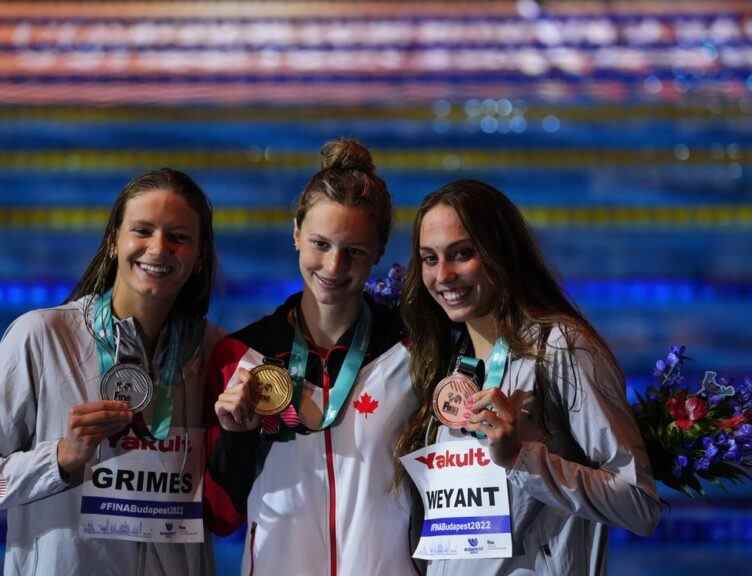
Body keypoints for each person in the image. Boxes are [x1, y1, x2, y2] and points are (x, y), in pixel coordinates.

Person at [395, 179, 661, 575]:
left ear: (501, 253)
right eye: (430, 259)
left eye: (462, 254)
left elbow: (638, 503)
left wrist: (523, 459)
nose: (443, 275)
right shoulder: (450, 362)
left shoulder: (562, 347)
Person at [0, 168, 223, 575]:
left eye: (178, 237)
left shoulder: (215, 352)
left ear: (200, 255)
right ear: (114, 240)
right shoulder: (43, 337)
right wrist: (60, 460)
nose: (158, 248)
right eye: (142, 230)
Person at [206, 139, 419, 575]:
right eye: (320, 243)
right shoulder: (242, 355)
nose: (334, 266)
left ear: (378, 252)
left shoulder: (413, 351)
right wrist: (237, 436)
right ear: (296, 233)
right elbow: (221, 515)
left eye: (354, 251)